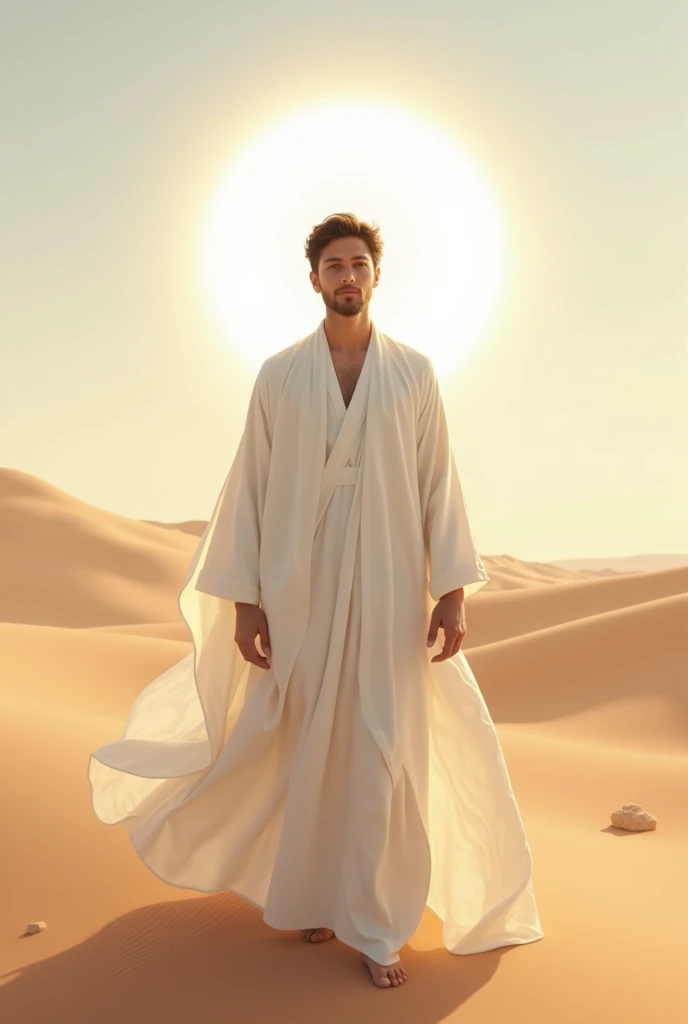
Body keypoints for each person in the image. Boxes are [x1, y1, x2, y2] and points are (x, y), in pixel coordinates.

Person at [88, 213, 543, 989]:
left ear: (375, 276)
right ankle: (313, 898)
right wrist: (246, 602)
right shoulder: (277, 377)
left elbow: (440, 484)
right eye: (333, 264)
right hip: (299, 593)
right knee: (305, 744)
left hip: (393, 589)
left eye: (358, 263)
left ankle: (374, 926)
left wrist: (454, 590)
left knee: (379, 746)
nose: (346, 276)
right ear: (313, 280)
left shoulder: (416, 374)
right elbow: (251, 493)